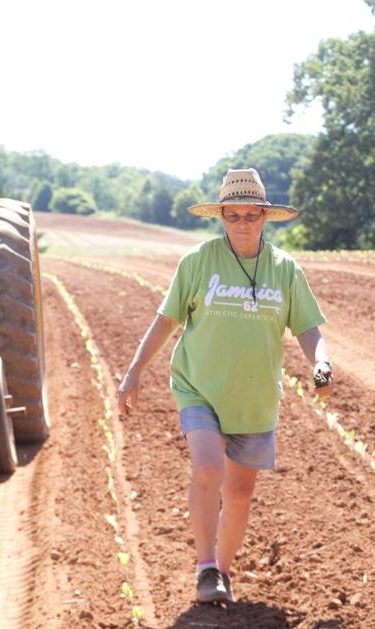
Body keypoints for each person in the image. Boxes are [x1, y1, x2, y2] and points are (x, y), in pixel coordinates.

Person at [117, 168, 334, 605]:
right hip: (198, 385)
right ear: (221, 217)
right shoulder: (198, 262)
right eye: (232, 215)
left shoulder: (285, 270)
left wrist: (322, 363)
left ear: (264, 217)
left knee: (238, 492)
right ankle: (204, 567)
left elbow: (308, 328)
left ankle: (224, 571)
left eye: (250, 215)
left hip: (254, 397)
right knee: (209, 470)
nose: (241, 223)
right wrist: (136, 368)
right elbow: (167, 319)